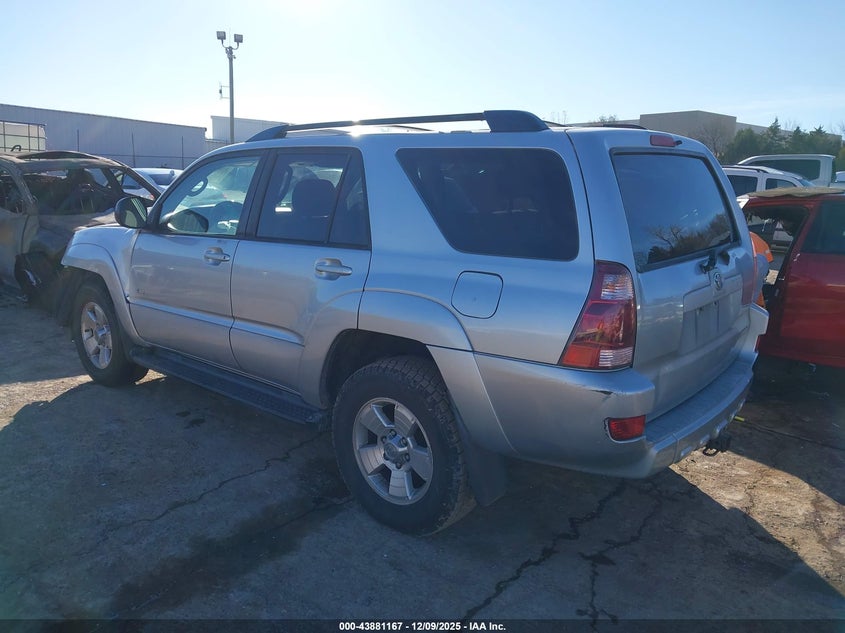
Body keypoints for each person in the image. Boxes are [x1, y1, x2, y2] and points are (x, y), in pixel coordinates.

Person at [749, 231, 773, 308]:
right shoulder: (755, 237)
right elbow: (769, 259)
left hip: (753, 266)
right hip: (763, 264)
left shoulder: (740, 237)